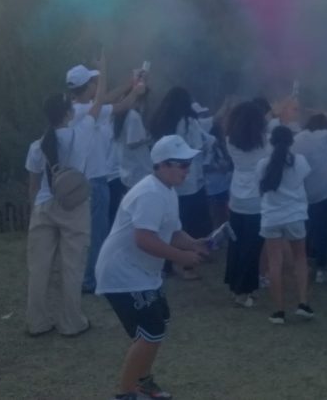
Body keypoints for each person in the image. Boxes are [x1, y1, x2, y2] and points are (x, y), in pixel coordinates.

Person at [96, 134, 208, 400]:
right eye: (181, 164)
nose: (187, 169)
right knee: (150, 332)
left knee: (157, 327)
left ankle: (143, 383)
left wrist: (193, 244)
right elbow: (144, 238)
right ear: (162, 165)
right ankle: (125, 394)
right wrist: (181, 258)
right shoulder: (149, 194)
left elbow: (172, 231)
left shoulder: (167, 191)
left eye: (188, 163)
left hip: (143, 273)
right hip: (122, 273)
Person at [67, 59, 145, 293]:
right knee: (97, 233)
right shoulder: (88, 111)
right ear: (88, 86)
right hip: (95, 180)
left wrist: (128, 84)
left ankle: (84, 275)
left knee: (83, 232)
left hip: (80, 179)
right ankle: (91, 279)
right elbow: (120, 106)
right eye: (94, 82)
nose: (96, 86)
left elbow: (107, 98)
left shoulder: (74, 109)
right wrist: (137, 91)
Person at [23, 92, 96, 337]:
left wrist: (36, 209)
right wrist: (103, 66)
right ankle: (72, 321)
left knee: (39, 268)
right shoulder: (82, 132)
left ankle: (37, 321)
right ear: (68, 113)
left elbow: (33, 185)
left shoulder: (38, 145)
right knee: (72, 266)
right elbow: (100, 100)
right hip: (74, 206)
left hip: (43, 206)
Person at [150, 87, 215, 281]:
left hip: (167, 179)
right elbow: (197, 146)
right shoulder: (188, 122)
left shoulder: (160, 121)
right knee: (188, 225)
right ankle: (186, 265)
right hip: (189, 179)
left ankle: (167, 264)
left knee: (169, 224)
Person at [258, 125, 316, 324]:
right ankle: (303, 303)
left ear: (271, 142)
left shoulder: (263, 164)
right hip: (295, 215)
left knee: (275, 264)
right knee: (300, 259)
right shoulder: (300, 162)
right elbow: (304, 181)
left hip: (271, 217)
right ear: (291, 141)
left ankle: (279, 311)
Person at [223, 101, 271, 308]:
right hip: (256, 201)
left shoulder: (229, 141)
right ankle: (246, 290)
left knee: (236, 245)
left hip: (236, 199)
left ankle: (235, 286)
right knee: (252, 248)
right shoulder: (265, 143)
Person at [293, 113, 327, 284]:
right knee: (322, 229)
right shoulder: (325, 135)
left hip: (303, 191)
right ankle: (321, 268)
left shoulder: (297, 138)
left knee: (303, 229)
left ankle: (301, 265)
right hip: (323, 191)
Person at [112, 88, 151, 189]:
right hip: (138, 169)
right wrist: (148, 139)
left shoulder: (120, 115)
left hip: (126, 167)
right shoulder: (133, 116)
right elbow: (132, 143)